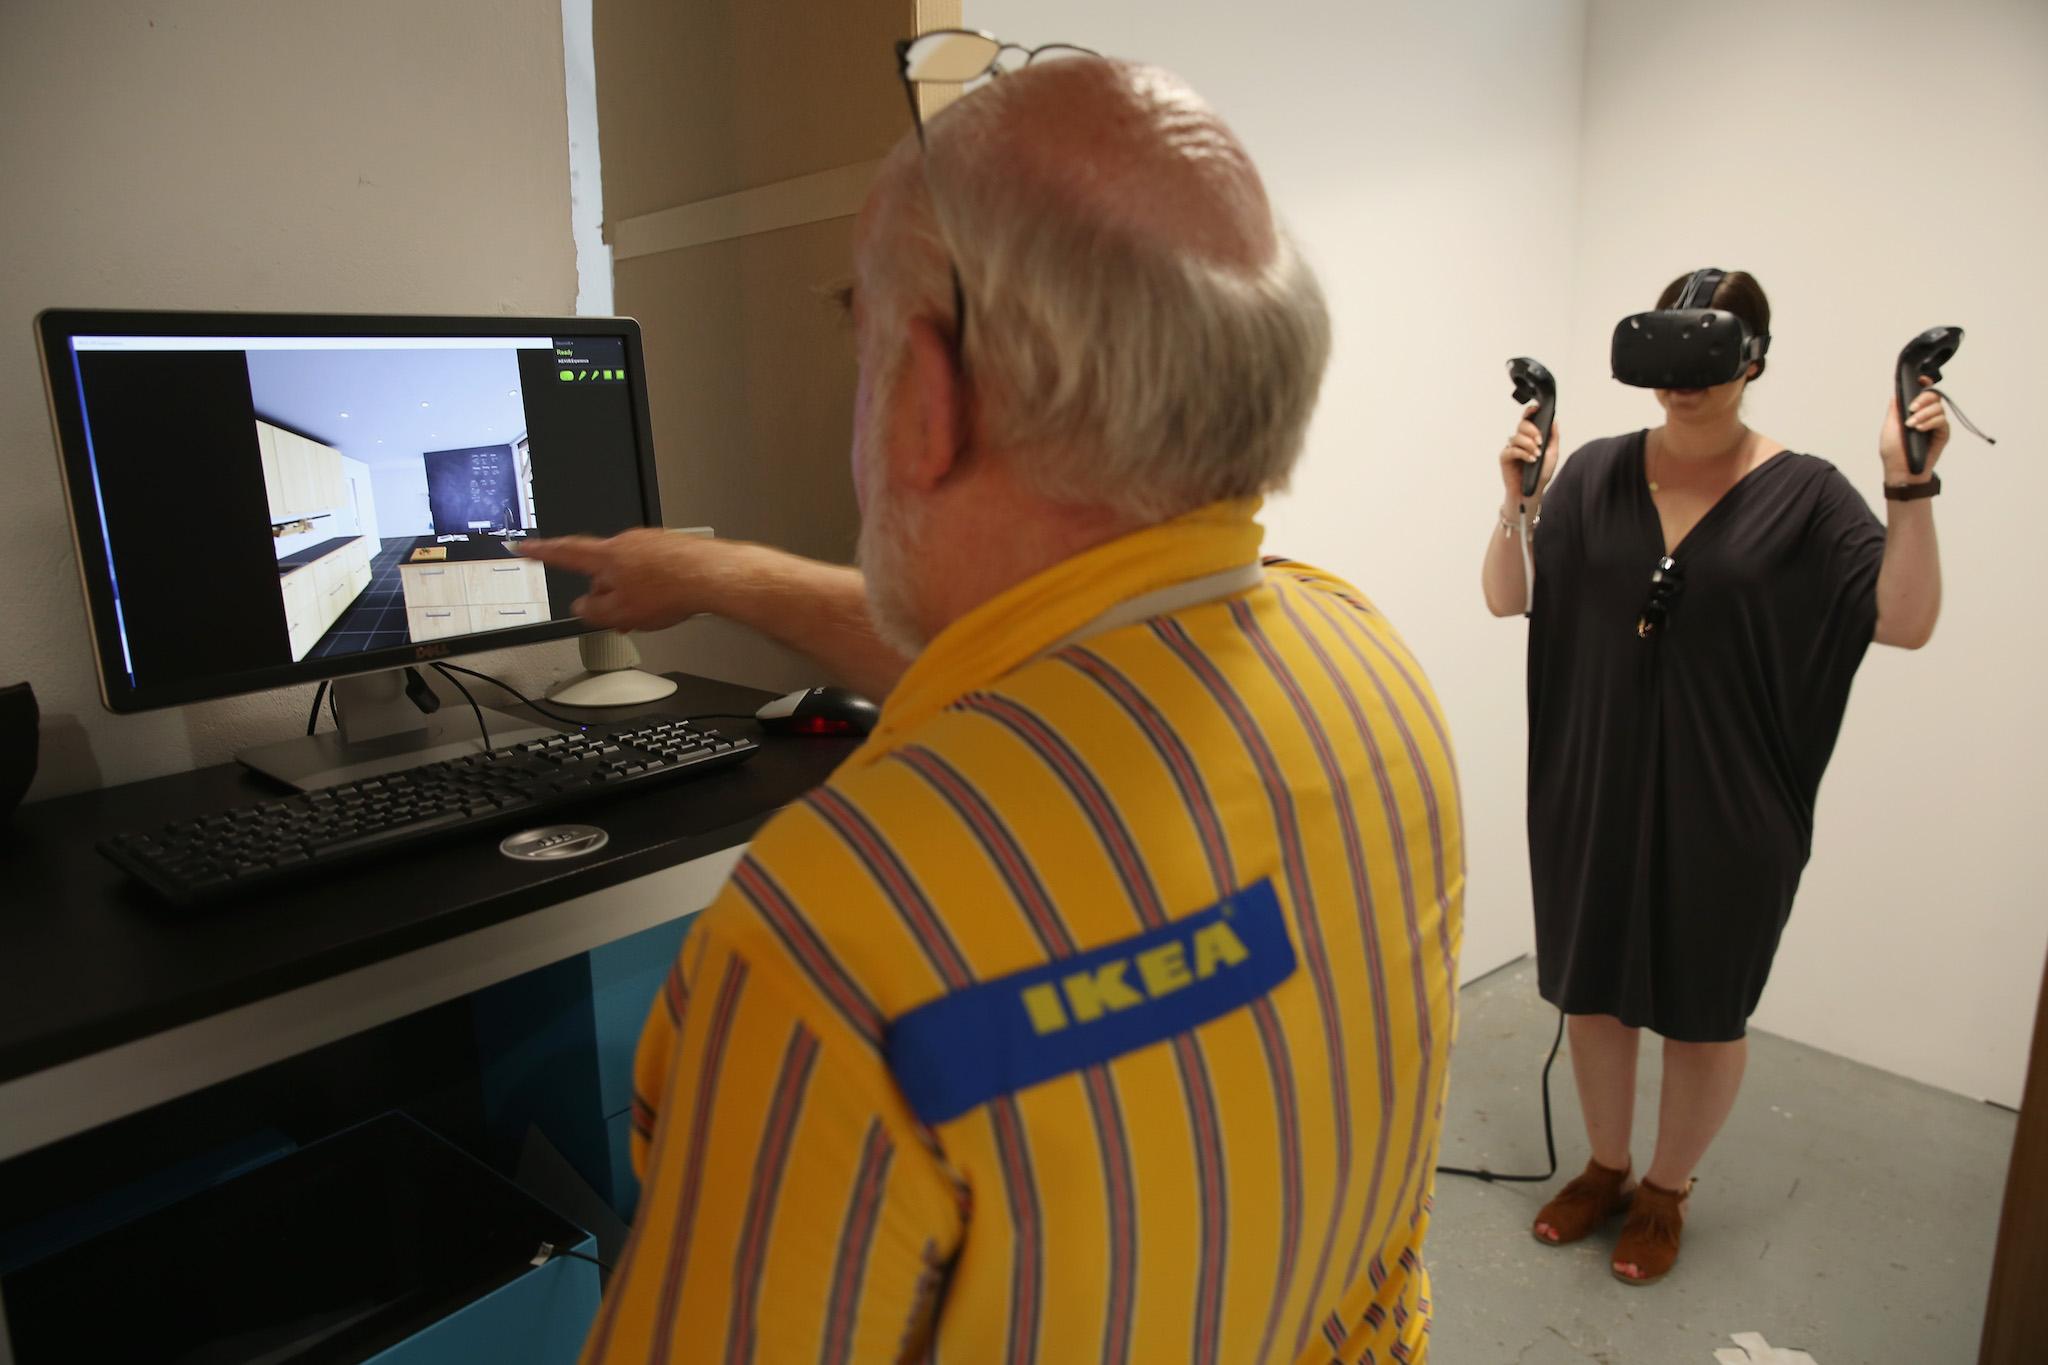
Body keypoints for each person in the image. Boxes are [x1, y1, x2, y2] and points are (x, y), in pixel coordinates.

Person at [532, 51, 1461, 1365]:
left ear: (926, 394)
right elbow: (1050, 673)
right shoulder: (1364, 661)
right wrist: (712, 574)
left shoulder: (831, 938)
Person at [1480, 270, 1950, 1286]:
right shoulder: (1596, 471)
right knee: (1595, 995)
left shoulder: (1808, 492)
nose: (1680, 379)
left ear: (1753, 358)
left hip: (1730, 800)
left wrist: (1904, 486)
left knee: (1701, 1008)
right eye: (1663, 350)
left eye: (1708, 351)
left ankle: (1664, 1189)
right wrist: (1516, 501)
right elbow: (1504, 595)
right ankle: (1604, 1166)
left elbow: (1903, 622)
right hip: (1590, 780)